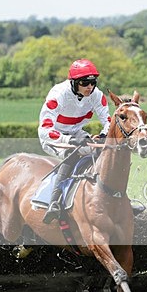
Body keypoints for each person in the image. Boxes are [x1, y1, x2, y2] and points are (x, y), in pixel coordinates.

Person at [38, 59, 110, 224]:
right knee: (72, 153)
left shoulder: (97, 95)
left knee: (106, 152)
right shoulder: (58, 94)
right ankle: (54, 202)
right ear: (74, 82)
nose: (90, 87)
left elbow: (108, 120)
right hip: (53, 137)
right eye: (85, 83)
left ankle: (116, 199)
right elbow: (45, 130)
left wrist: (104, 134)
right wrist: (70, 140)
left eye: (93, 82)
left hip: (77, 134)